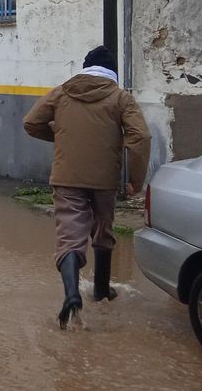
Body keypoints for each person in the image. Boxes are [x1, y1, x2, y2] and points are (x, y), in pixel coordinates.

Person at [23, 45, 150, 329]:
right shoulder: (120, 97)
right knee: (103, 231)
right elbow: (140, 136)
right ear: (111, 72)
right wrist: (136, 180)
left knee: (70, 236)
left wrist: (60, 135)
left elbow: (31, 123)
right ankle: (102, 290)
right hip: (104, 179)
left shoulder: (62, 92)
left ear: (85, 66)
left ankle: (71, 295)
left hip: (67, 176)